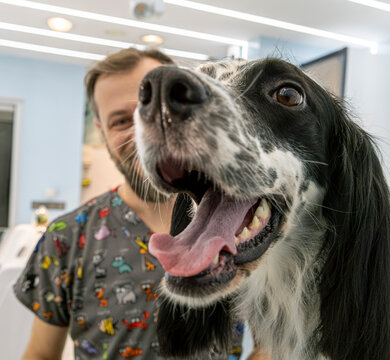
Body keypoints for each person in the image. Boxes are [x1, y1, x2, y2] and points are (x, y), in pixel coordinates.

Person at [14, 48, 241, 359]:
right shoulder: (67, 238)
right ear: (102, 133)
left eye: (157, 110)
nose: (144, 133)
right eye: (122, 120)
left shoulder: (244, 225)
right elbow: (40, 355)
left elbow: (270, 346)